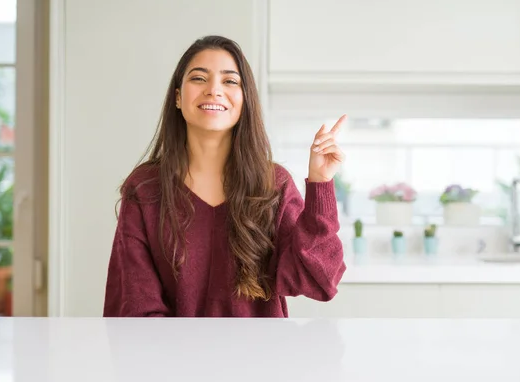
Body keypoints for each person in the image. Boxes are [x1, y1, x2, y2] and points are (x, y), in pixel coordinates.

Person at [103, 35, 347, 318]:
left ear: (245, 100)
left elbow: (320, 280)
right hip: (172, 360)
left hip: (260, 360)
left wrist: (320, 183)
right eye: (198, 78)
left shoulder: (273, 185)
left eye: (230, 81)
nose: (213, 90)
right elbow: (135, 306)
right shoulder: (144, 188)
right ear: (178, 97)